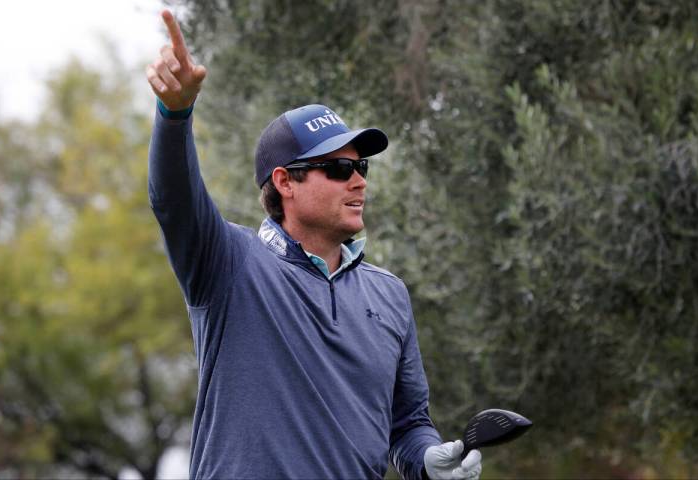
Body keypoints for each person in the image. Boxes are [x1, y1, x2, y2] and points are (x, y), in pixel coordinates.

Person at [146, 9, 482, 480]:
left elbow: (407, 425)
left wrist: (429, 461)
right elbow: (173, 201)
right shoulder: (229, 264)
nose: (358, 182)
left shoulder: (389, 295)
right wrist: (174, 113)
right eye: (340, 170)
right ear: (285, 182)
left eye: (361, 168)